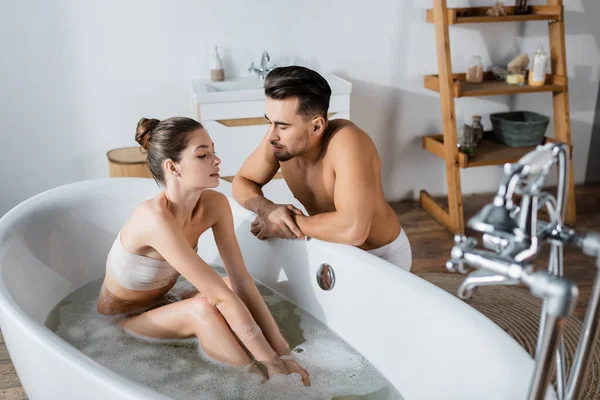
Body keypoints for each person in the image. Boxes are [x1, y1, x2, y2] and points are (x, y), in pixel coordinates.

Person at [96, 116, 310, 386]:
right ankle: (260, 387)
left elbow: (241, 280)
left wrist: (283, 352)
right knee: (202, 309)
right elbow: (218, 299)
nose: (217, 160)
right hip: (121, 321)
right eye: (202, 155)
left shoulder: (215, 204)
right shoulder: (154, 219)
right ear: (173, 167)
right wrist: (272, 364)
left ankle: (273, 369)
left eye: (213, 150)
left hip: (165, 302)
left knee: (230, 284)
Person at [232, 66, 412, 271]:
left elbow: (354, 229)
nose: (272, 135)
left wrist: (284, 224)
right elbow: (242, 182)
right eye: (269, 123)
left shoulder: (348, 142)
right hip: (332, 248)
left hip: (380, 256)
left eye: (283, 126)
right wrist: (267, 209)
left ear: (316, 126)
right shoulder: (279, 141)